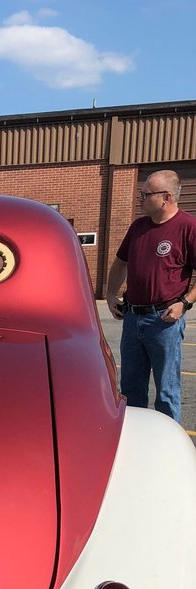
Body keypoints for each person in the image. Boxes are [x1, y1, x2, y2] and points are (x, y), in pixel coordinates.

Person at [105, 169, 196, 423]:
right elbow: (121, 262)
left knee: (166, 393)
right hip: (133, 318)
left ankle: (169, 452)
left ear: (166, 197)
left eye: (146, 194)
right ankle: (136, 444)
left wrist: (185, 303)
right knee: (131, 392)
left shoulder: (188, 227)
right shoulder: (138, 227)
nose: (140, 198)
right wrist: (111, 295)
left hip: (164, 321)